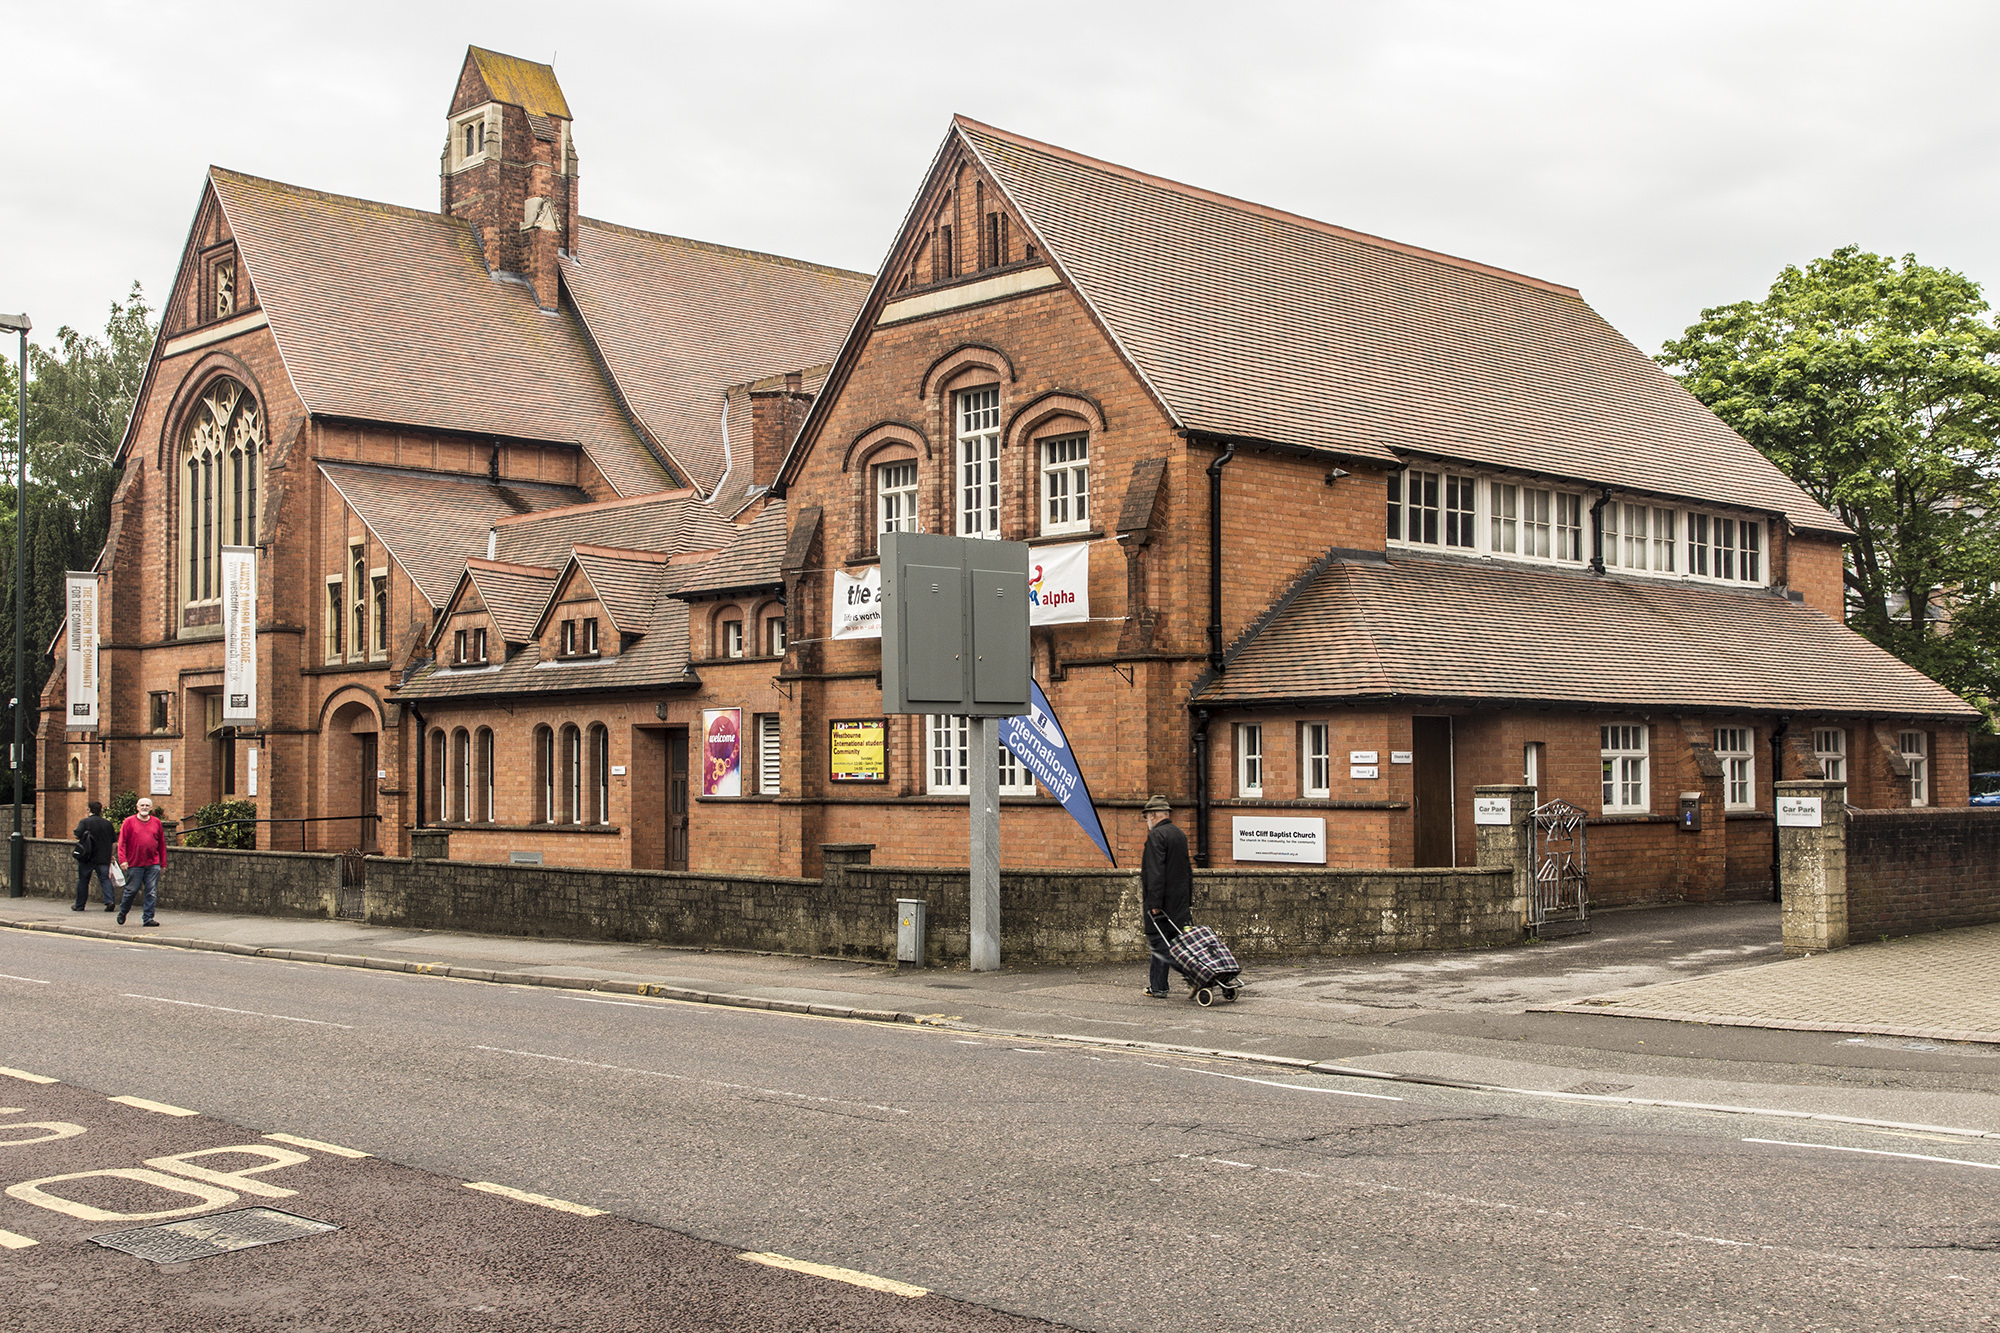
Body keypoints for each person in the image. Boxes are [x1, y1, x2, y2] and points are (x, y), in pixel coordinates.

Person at [1139, 793, 1192, 998]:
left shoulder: (1156, 836)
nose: (1147, 822)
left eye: (1146, 817)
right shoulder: (1179, 834)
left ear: (1152, 815)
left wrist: (1154, 903)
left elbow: (1155, 873)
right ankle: (1199, 978)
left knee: (1160, 944)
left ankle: (1159, 986)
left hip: (1163, 903)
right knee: (1185, 944)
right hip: (1180, 901)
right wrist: (1188, 898)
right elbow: (1187, 869)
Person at [115, 797, 167, 927]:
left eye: (147, 805)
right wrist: (123, 860)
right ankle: (123, 912)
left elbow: (161, 844)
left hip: (153, 863)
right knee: (131, 891)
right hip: (134, 864)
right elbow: (122, 843)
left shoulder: (156, 822)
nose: (144, 807)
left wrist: (163, 863)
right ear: (137, 807)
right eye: (142, 805)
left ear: (151, 808)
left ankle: (148, 918)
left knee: (151, 892)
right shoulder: (129, 822)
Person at [72, 800, 117, 912]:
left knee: (83, 881)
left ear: (89, 810)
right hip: (103, 857)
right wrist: (111, 855)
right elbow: (114, 842)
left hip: (87, 857)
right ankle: (109, 901)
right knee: (105, 879)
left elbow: (77, 834)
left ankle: (80, 905)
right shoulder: (107, 823)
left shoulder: (85, 822)